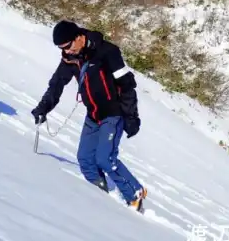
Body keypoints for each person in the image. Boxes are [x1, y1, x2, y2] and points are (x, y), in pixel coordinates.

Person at [31, 20, 147, 211]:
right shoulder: (70, 58)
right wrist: (43, 108)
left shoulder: (107, 52)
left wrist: (131, 117)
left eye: (67, 46)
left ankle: (135, 193)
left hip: (113, 113)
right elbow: (57, 84)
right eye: (61, 48)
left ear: (78, 37)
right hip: (93, 115)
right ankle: (100, 198)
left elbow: (127, 86)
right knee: (85, 159)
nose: (66, 51)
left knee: (105, 159)